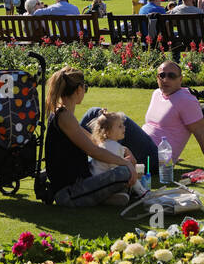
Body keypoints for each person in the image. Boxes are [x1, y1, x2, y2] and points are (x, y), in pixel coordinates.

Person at [44, 68, 138, 206]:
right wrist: (126, 163)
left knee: (120, 167)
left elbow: (94, 141)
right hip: (69, 192)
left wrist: (124, 150)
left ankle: (109, 196)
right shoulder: (64, 116)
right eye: (85, 87)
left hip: (75, 184)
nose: (84, 91)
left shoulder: (63, 113)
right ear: (78, 90)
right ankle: (108, 195)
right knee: (124, 172)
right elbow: (93, 151)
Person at [138, 61, 204, 173]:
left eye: (171, 76)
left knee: (122, 121)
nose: (165, 80)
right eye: (162, 75)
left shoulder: (186, 100)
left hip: (156, 159)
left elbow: (201, 135)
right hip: (142, 151)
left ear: (180, 79)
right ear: (157, 78)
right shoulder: (157, 93)